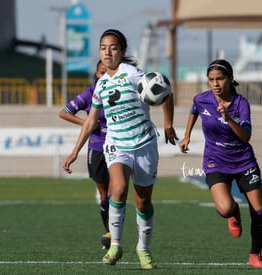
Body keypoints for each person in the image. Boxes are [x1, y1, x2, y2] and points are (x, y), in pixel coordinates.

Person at [62, 29, 178, 268]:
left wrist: (168, 125)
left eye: (113, 47)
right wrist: (75, 151)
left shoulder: (134, 74)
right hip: (116, 144)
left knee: (143, 203)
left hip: (144, 142)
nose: (108, 51)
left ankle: (143, 249)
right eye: (103, 47)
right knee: (118, 190)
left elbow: (164, 90)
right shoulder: (101, 85)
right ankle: (115, 245)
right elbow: (92, 121)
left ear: (122, 51)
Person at [179, 59, 262, 268]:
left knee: (259, 213)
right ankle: (234, 213)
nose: (216, 84)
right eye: (211, 80)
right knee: (225, 208)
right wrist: (186, 136)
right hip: (215, 161)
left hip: (244, 162)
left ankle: (255, 255)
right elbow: (194, 111)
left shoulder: (241, 104)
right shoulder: (201, 99)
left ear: (230, 79)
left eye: (220, 79)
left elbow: (246, 136)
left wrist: (229, 119)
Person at [59, 60, 111, 249]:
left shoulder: (119, 92)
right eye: (101, 72)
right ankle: (109, 231)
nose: (104, 75)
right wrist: (87, 123)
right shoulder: (90, 93)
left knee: (116, 192)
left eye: (108, 71)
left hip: (118, 147)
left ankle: (114, 235)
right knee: (104, 195)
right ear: (96, 74)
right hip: (96, 148)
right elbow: (64, 112)